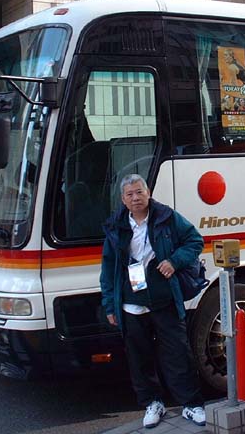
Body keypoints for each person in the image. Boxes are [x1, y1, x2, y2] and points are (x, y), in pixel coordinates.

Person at [100, 174, 206, 429]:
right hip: (130, 303)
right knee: (139, 358)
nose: (135, 198)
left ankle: (191, 405)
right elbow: (108, 267)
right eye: (130, 194)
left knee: (177, 354)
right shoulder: (116, 226)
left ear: (148, 193)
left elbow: (195, 241)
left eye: (139, 192)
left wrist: (174, 261)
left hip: (165, 299)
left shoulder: (166, 217)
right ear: (123, 200)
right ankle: (152, 403)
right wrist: (109, 305)